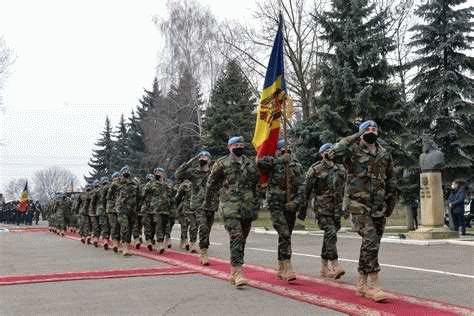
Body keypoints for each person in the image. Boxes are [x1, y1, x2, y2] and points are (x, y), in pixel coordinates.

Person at [325, 120, 397, 302]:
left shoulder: (384, 153)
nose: (372, 131)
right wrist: (356, 135)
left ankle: (361, 283)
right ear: (361, 133)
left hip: (378, 206)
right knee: (371, 239)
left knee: (371, 245)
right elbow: (333, 153)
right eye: (368, 129)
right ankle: (374, 285)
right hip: (357, 205)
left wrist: (390, 204)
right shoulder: (352, 151)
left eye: (374, 129)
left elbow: (391, 179)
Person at [202, 136, 260, 288]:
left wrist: (256, 202)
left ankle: (233, 270)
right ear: (229, 147)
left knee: (242, 239)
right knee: (237, 236)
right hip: (230, 206)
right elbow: (211, 184)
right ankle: (238, 272)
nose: (239, 147)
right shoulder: (222, 163)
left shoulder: (250, 163)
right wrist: (208, 203)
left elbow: (256, 183)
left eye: (241, 144)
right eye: (236, 145)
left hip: (247, 206)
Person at [257, 139, 305, 282]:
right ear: (277, 151)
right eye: (282, 149)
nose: (286, 152)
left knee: (286, 235)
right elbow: (259, 163)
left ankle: (281, 266)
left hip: (290, 205)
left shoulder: (297, 166)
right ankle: (287, 266)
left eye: (288, 149)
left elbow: (303, 187)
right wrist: (279, 161)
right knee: (284, 232)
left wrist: (295, 203)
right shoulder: (272, 163)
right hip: (276, 204)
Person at [300, 143, 347, 279]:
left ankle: (323, 268)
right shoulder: (315, 169)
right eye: (326, 151)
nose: (329, 152)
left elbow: (345, 189)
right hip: (322, 209)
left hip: (336, 210)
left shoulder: (341, 169)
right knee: (331, 233)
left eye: (331, 150)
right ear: (321, 154)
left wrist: (346, 208)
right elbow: (306, 191)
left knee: (329, 236)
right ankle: (335, 265)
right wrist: (302, 211)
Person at [176, 150, 215, 263]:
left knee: (207, 230)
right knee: (202, 228)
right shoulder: (194, 172)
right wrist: (192, 160)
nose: (203, 158)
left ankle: (204, 247)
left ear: (209, 159)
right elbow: (178, 174)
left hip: (211, 205)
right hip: (198, 206)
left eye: (205, 156)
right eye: (201, 156)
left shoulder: (214, 172)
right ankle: (203, 253)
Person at [142, 167, 170, 254]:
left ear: (164, 174)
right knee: (158, 225)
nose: (158, 173)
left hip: (165, 209)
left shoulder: (167, 184)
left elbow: (171, 195)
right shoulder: (151, 184)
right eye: (157, 172)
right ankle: (159, 243)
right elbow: (143, 194)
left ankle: (151, 239)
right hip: (154, 209)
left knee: (163, 226)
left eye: (160, 171)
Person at [115, 166, 140, 256]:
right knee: (124, 227)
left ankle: (127, 247)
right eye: (124, 171)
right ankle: (124, 248)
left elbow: (139, 196)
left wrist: (137, 207)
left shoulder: (135, 183)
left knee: (130, 228)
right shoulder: (117, 183)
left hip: (132, 210)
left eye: (127, 171)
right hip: (122, 209)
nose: (126, 172)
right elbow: (110, 196)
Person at [106, 172, 122, 253]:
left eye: (118, 177)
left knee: (120, 226)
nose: (117, 178)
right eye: (115, 177)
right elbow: (107, 197)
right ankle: (115, 244)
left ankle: (119, 244)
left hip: (120, 208)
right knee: (114, 226)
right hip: (111, 209)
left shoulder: (122, 186)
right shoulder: (110, 186)